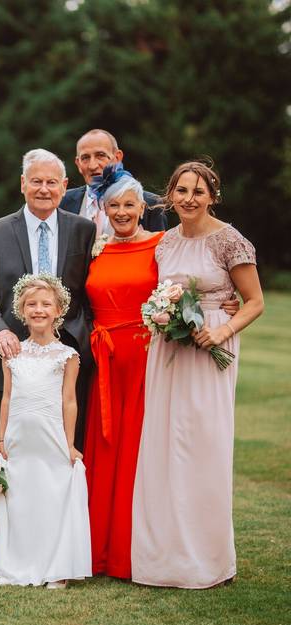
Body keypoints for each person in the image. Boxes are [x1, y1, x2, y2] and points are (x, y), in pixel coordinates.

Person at [131, 161, 264, 588]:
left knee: (203, 445)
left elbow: (254, 302)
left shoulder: (230, 241)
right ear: (169, 195)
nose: (189, 199)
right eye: (182, 190)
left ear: (212, 196)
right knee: (165, 446)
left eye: (198, 191)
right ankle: (162, 559)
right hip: (168, 350)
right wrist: (161, 314)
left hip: (211, 350)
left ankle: (208, 561)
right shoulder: (165, 242)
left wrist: (222, 329)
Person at [0, 149, 96, 453]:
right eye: (36, 181)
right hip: (11, 359)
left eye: (52, 182)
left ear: (65, 186)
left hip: (67, 358)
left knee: (67, 451)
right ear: (22, 183)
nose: (44, 189)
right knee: (13, 453)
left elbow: (91, 289)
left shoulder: (84, 230)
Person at [82, 165, 162, 579]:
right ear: (104, 208)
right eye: (113, 205)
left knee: (138, 452)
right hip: (105, 362)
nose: (122, 212)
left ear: (142, 207)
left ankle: (135, 552)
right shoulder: (96, 249)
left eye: (129, 204)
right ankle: (99, 551)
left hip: (147, 360)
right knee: (106, 452)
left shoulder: (162, 245)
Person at [0, 274, 92, 589]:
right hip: (19, 440)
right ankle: (15, 566)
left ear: (58, 310)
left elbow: (69, 401)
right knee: (21, 502)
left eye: (46, 304)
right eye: (31, 304)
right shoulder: (12, 353)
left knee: (51, 499)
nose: (38, 310)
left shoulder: (67, 355)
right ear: (21, 310)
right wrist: (1, 438)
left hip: (51, 438)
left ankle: (55, 567)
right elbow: (6, 397)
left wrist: (69, 444)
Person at [60, 129, 167, 234]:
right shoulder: (63, 202)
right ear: (78, 164)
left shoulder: (150, 203)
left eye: (100, 155)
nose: (92, 166)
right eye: (85, 158)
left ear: (117, 158)